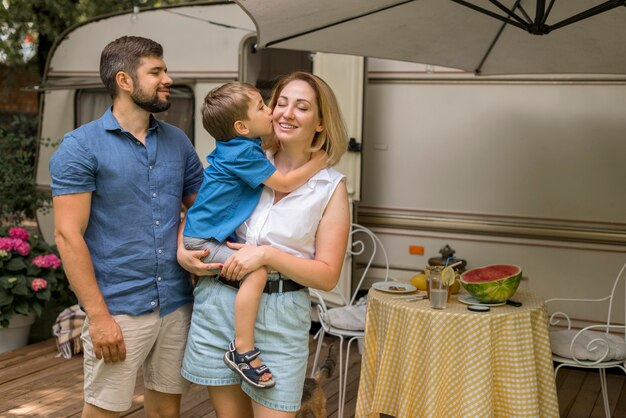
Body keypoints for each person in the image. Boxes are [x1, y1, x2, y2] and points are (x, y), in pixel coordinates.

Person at [178, 71, 351, 417]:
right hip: (218, 303)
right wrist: (181, 250)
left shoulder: (331, 187)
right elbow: (202, 212)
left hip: (280, 315)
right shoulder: (248, 159)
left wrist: (268, 256)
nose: (285, 113)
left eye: (301, 107)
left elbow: (328, 276)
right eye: (280, 103)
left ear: (320, 123)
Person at [49, 36, 205, 417]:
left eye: (164, 70)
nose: (167, 78)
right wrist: (98, 317)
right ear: (124, 80)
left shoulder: (178, 142)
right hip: (117, 308)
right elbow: (68, 237)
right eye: (156, 72)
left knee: (166, 411)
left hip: (176, 302)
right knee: (103, 411)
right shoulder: (79, 147)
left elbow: (203, 210)